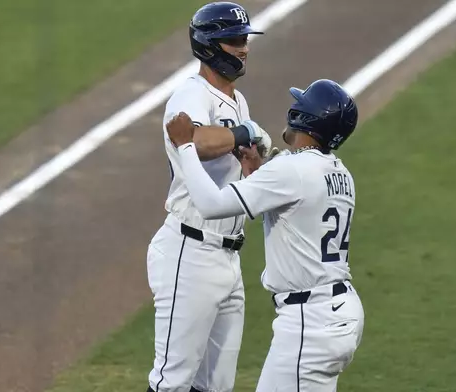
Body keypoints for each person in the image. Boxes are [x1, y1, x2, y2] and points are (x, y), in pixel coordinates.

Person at [166, 79, 365, 391]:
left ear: (304, 118)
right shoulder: (341, 174)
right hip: (341, 315)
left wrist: (185, 147)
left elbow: (211, 204)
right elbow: (295, 216)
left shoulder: (291, 170)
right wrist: (258, 175)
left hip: (308, 323)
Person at [146, 2, 273, 392]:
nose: (243, 48)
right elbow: (194, 140)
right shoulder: (190, 95)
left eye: (245, 39)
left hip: (227, 257)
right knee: (171, 382)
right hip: (190, 249)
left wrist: (252, 162)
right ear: (209, 46)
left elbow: (232, 167)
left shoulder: (237, 101)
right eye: (234, 40)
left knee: (215, 385)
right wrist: (243, 133)